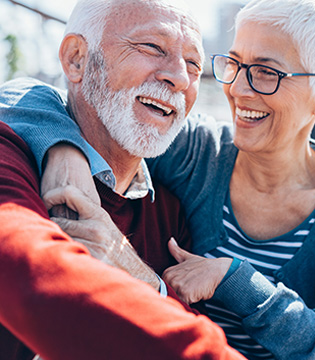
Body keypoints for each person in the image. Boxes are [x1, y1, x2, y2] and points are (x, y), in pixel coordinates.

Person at [2, 0, 315, 359]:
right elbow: (55, 97)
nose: (238, 89)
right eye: (233, 65)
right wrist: (62, 147)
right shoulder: (198, 152)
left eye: (267, 72)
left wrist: (238, 281)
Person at [0, 0, 249, 359]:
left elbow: (178, 319)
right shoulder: (11, 154)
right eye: (152, 47)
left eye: (193, 64)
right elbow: (27, 273)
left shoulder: (169, 211)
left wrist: (142, 277)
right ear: (76, 59)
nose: (179, 78)